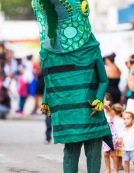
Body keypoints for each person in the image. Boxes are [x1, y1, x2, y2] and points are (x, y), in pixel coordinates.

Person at [32, 1, 112, 173]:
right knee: (70, 151)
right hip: (68, 113)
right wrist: (46, 100)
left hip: (91, 112)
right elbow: (51, 81)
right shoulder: (50, 54)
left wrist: (98, 99)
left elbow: (103, 80)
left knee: (93, 152)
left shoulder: (91, 49)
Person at [103, 93, 119, 173]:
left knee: (113, 153)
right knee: (106, 153)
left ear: (109, 101)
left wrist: (105, 106)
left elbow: (111, 112)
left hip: (112, 134)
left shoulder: (110, 110)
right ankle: (108, 170)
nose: (103, 102)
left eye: (105, 100)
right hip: (105, 133)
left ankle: (116, 170)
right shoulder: (101, 112)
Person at [112, 103, 124, 170]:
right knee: (120, 154)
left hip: (114, 138)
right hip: (122, 138)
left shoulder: (112, 120)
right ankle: (120, 164)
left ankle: (116, 165)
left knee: (115, 154)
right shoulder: (123, 120)